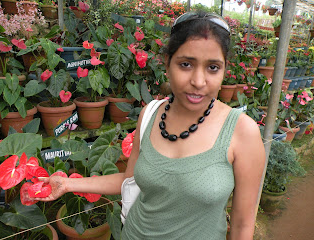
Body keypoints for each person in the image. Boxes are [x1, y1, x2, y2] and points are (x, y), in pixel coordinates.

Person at [35, 11, 265, 240]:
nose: (198, 81)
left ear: (225, 69)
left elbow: (243, 225)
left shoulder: (241, 132)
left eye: (213, 67)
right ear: (167, 63)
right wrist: (66, 184)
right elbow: (129, 179)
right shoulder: (151, 114)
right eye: (185, 64)